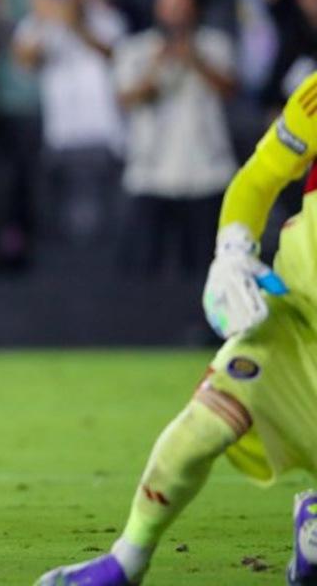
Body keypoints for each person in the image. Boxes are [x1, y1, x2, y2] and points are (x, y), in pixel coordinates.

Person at [35, 70, 317, 586]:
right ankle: (126, 560)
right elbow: (258, 178)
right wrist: (233, 250)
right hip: (300, 329)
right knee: (203, 425)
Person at [114, 0, 237, 275]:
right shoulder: (136, 48)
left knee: (205, 269)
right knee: (143, 269)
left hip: (206, 173)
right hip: (151, 173)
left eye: (182, 3)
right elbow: (124, 98)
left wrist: (194, 59)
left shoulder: (215, 43)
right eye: (169, 4)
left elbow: (230, 88)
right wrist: (157, 66)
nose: (176, 11)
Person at [14, 0, 126, 244]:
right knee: (61, 235)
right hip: (62, 142)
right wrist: (43, 17)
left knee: (104, 234)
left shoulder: (106, 18)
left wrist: (73, 21)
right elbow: (24, 58)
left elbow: (115, 54)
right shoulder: (40, 23)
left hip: (103, 141)